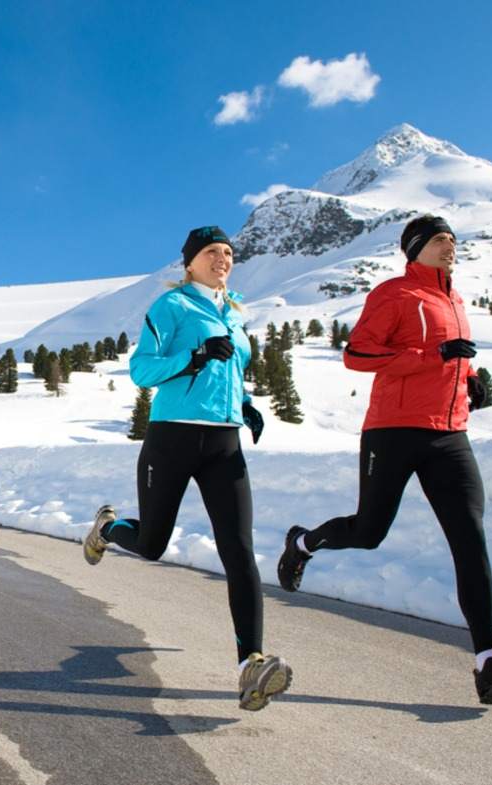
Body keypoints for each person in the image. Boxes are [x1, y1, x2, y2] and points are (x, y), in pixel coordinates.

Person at [276, 214, 492, 705]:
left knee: (470, 538)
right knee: (368, 532)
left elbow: (450, 361)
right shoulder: (394, 294)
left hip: (449, 435)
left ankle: (489, 661)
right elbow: (358, 356)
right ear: (415, 248)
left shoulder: (455, 299)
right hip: (393, 430)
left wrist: (469, 384)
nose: (451, 246)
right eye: (441, 240)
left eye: (453, 239)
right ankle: (302, 543)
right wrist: (435, 356)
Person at [83, 225, 289, 712]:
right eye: (213, 252)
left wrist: (246, 403)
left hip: (224, 442)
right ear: (190, 262)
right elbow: (142, 371)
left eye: (229, 253)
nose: (223, 259)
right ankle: (109, 530)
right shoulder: (171, 308)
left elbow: (232, 371)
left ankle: (250, 664)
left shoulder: (234, 315)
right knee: (152, 544)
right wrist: (193, 356)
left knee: (239, 550)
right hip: (172, 436)